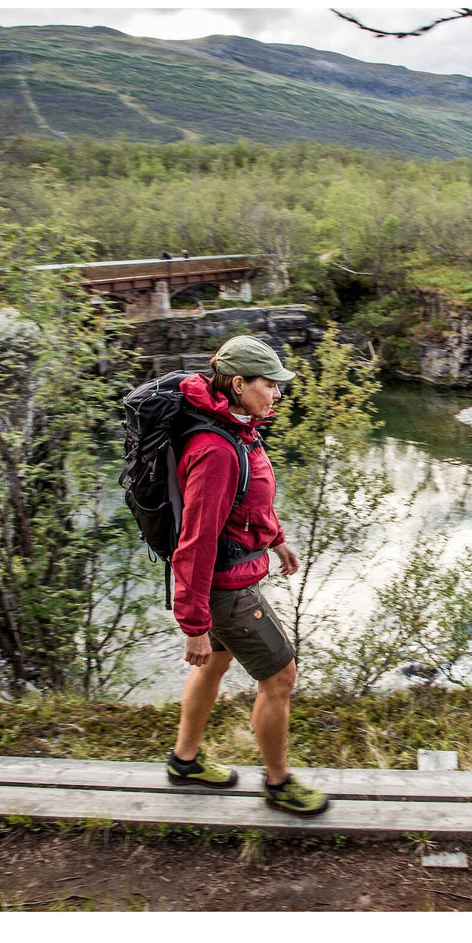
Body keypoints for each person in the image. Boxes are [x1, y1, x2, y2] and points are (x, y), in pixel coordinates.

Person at [165, 335, 329, 817]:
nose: (277, 393)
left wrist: (275, 538)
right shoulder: (215, 449)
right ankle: (278, 784)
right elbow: (195, 542)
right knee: (280, 676)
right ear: (238, 383)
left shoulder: (238, 426)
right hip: (227, 590)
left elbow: (250, 496)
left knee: (214, 665)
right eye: (270, 384)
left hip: (233, 578)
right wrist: (193, 624)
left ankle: (185, 760)